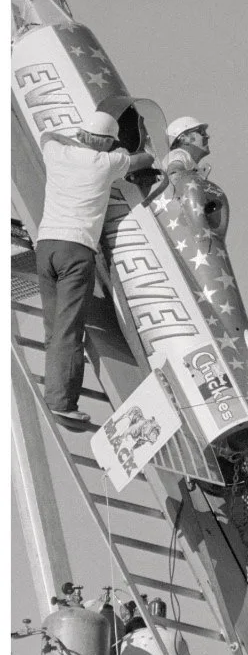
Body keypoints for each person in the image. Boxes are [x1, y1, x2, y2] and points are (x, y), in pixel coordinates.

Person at [35, 110, 155, 431]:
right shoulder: (106, 164)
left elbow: (47, 136)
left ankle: (54, 392)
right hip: (76, 251)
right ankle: (61, 404)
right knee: (70, 329)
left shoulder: (58, 153)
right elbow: (145, 158)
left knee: (53, 329)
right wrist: (130, 145)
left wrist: (72, 138)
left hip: (46, 246)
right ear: (106, 143)